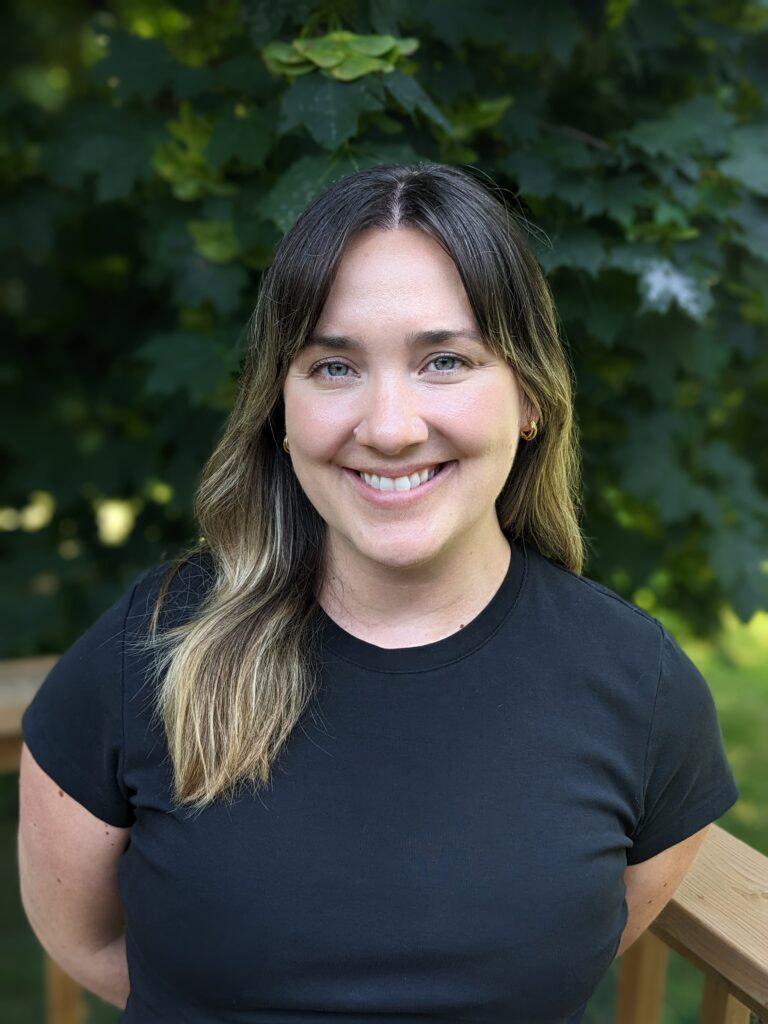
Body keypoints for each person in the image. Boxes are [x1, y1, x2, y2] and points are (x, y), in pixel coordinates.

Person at [18, 162, 739, 1024]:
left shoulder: (640, 687)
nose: (391, 427)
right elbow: (84, 942)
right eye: (333, 368)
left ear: (532, 399)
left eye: (445, 360)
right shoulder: (150, 650)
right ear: (280, 409)